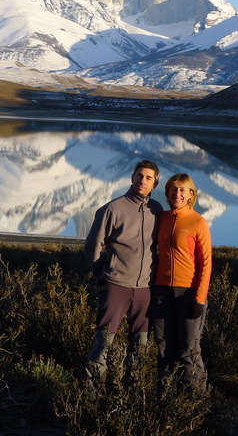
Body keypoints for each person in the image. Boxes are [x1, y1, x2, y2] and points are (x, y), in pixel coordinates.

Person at [83, 160, 163, 385]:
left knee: (140, 343)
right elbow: (93, 246)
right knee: (103, 341)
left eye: (148, 177)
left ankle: (133, 390)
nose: (142, 180)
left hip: (144, 289)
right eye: (139, 175)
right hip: (116, 285)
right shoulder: (113, 208)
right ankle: (91, 389)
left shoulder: (157, 210)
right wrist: (102, 273)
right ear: (132, 177)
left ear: (155, 183)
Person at [151, 173, 212, 393]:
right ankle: (166, 399)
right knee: (164, 348)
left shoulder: (198, 222)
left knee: (189, 350)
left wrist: (199, 298)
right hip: (161, 291)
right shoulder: (162, 218)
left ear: (190, 195)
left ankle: (195, 401)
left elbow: (206, 264)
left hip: (188, 293)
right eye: (173, 189)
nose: (177, 193)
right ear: (167, 193)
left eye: (183, 190)